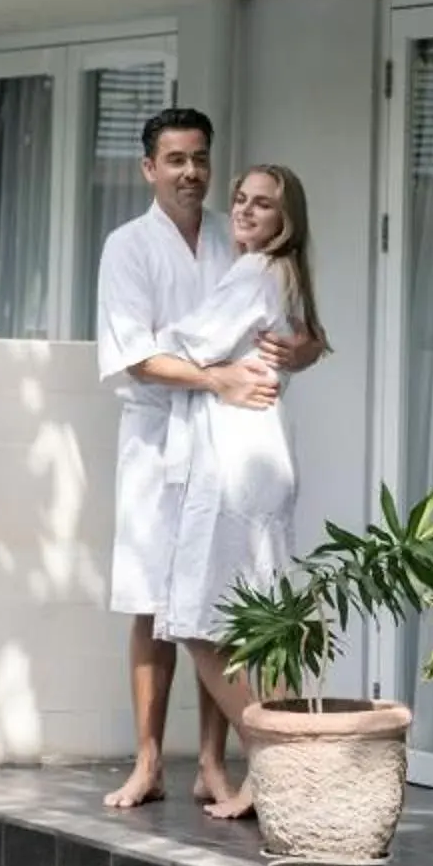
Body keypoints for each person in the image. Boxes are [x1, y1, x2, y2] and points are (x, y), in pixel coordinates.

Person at [95, 108, 315, 811]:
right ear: (149, 168)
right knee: (152, 598)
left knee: (215, 597)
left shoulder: (240, 240)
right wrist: (214, 376)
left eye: (199, 158)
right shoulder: (127, 247)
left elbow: (298, 331)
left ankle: (216, 766)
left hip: (225, 444)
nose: (191, 172)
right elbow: (137, 355)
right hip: (158, 435)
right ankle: (149, 761)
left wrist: (298, 350)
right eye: (175, 159)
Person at [153, 164, 320, 820]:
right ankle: (282, 765)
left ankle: (273, 759)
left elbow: (179, 348)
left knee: (197, 621)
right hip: (262, 457)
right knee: (264, 624)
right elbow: (305, 340)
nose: (247, 212)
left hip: (234, 463)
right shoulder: (284, 275)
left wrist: (199, 362)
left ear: (287, 218)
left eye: (264, 204)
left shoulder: (255, 273)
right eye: (241, 201)